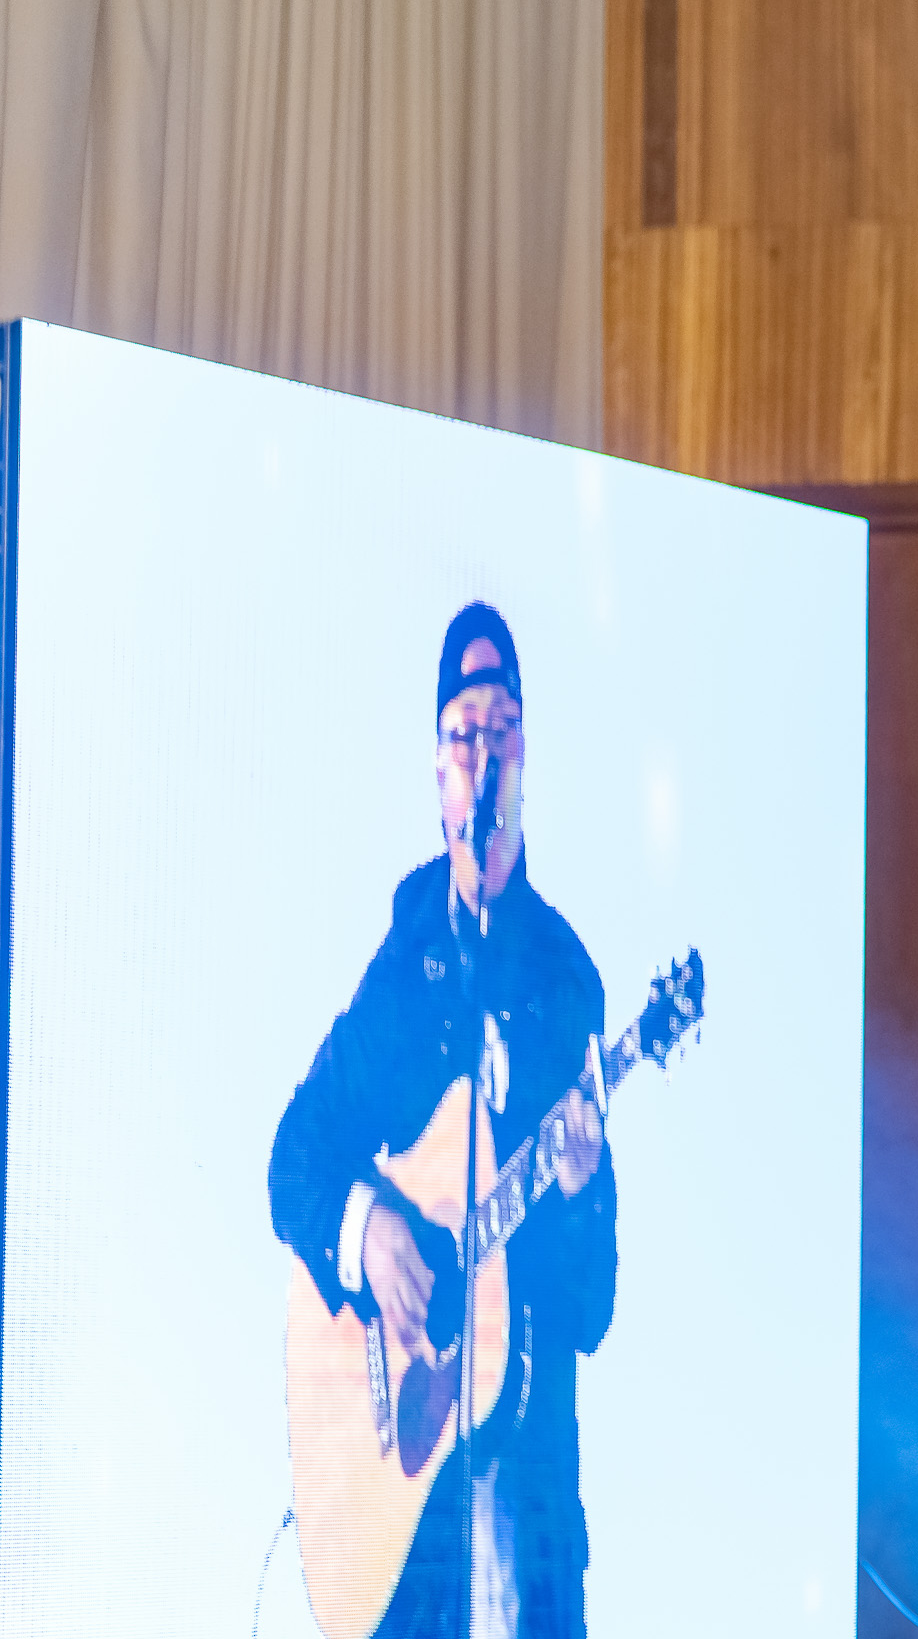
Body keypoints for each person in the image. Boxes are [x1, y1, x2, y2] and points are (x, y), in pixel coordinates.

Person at [270, 604, 617, 1639]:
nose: (484, 751)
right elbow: (297, 1154)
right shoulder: (408, 960)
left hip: (529, 1503)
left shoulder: (566, 982)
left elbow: (593, 1305)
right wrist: (371, 1229)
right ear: (436, 770)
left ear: (527, 755)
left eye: (503, 724)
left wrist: (578, 1185)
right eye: (463, 730)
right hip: (407, 1533)